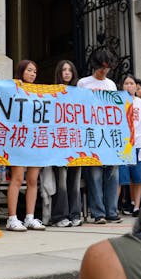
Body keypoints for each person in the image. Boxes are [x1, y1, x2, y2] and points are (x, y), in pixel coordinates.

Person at [78, 49, 121, 223]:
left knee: (112, 174)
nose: (103, 71)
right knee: (94, 175)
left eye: (107, 67)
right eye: (101, 67)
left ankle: (112, 210)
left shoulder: (111, 85)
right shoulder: (83, 83)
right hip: (91, 134)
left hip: (110, 134)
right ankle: (98, 213)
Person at [6, 60, 46, 232]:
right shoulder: (13, 88)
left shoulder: (40, 92)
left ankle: (29, 217)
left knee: (32, 180)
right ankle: (12, 218)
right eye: (29, 70)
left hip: (35, 139)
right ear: (21, 71)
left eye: (35, 72)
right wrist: (15, 86)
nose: (32, 74)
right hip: (18, 139)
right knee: (17, 178)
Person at [43, 60, 83, 227]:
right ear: (59, 73)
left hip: (76, 142)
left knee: (75, 180)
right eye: (63, 70)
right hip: (60, 142)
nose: (67, 73)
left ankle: (75, 214)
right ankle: (60, 216)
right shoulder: (52, 93)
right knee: (62, 180)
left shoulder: (80, 93)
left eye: (70, 70)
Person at [119, 74, 141, 217]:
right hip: (122, 144)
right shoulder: (117, 101)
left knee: (139, 178)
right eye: (126, 83)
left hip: (138, 143)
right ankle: (114, 207)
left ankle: (137, 206)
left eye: (131, 83)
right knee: (120, 178)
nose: (129, 86)